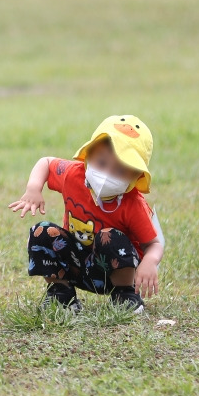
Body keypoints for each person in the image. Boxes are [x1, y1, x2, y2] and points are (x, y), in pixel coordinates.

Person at [8, 115, 163, 313]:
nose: (108, 174)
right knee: (42, 232)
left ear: (136, 176)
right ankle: (61, 293)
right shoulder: (73, 175)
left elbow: (154, 244)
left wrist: (149, 262)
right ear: (88, 154)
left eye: (120, 170)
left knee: (109, 236)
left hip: (113, 272)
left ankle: (125, 295)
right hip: (76, 264)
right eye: (102, 162)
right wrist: (33, 188)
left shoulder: (132, 203)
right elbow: (46, 163)